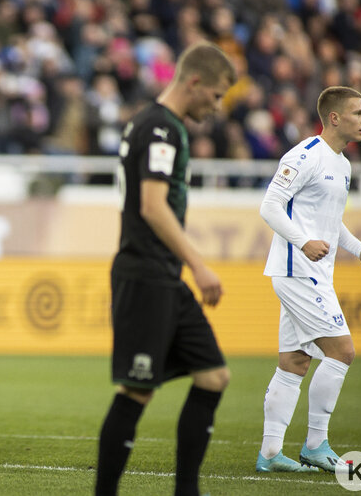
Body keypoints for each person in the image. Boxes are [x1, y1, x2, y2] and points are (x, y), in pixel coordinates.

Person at [96, 42, 235, 496]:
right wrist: (200, 266)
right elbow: (153, 207)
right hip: (145, 274)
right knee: (137, 390)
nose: (216, 107)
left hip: (163, 277)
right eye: (215, 96)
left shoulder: (154, 123)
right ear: (194, 82)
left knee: (214, 376)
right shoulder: (161, 128)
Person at [255, 86, 361, 473]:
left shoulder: (341, 164)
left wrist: (358, 249)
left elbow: (329, 221)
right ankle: (315, 444)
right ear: (335, 117)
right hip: (297, 269)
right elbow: (270, 205)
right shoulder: (305, 154)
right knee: (342, 352)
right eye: (358, 113)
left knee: (294, 360)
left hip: (312, 271)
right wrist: (302, 241)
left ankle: (271, 454)